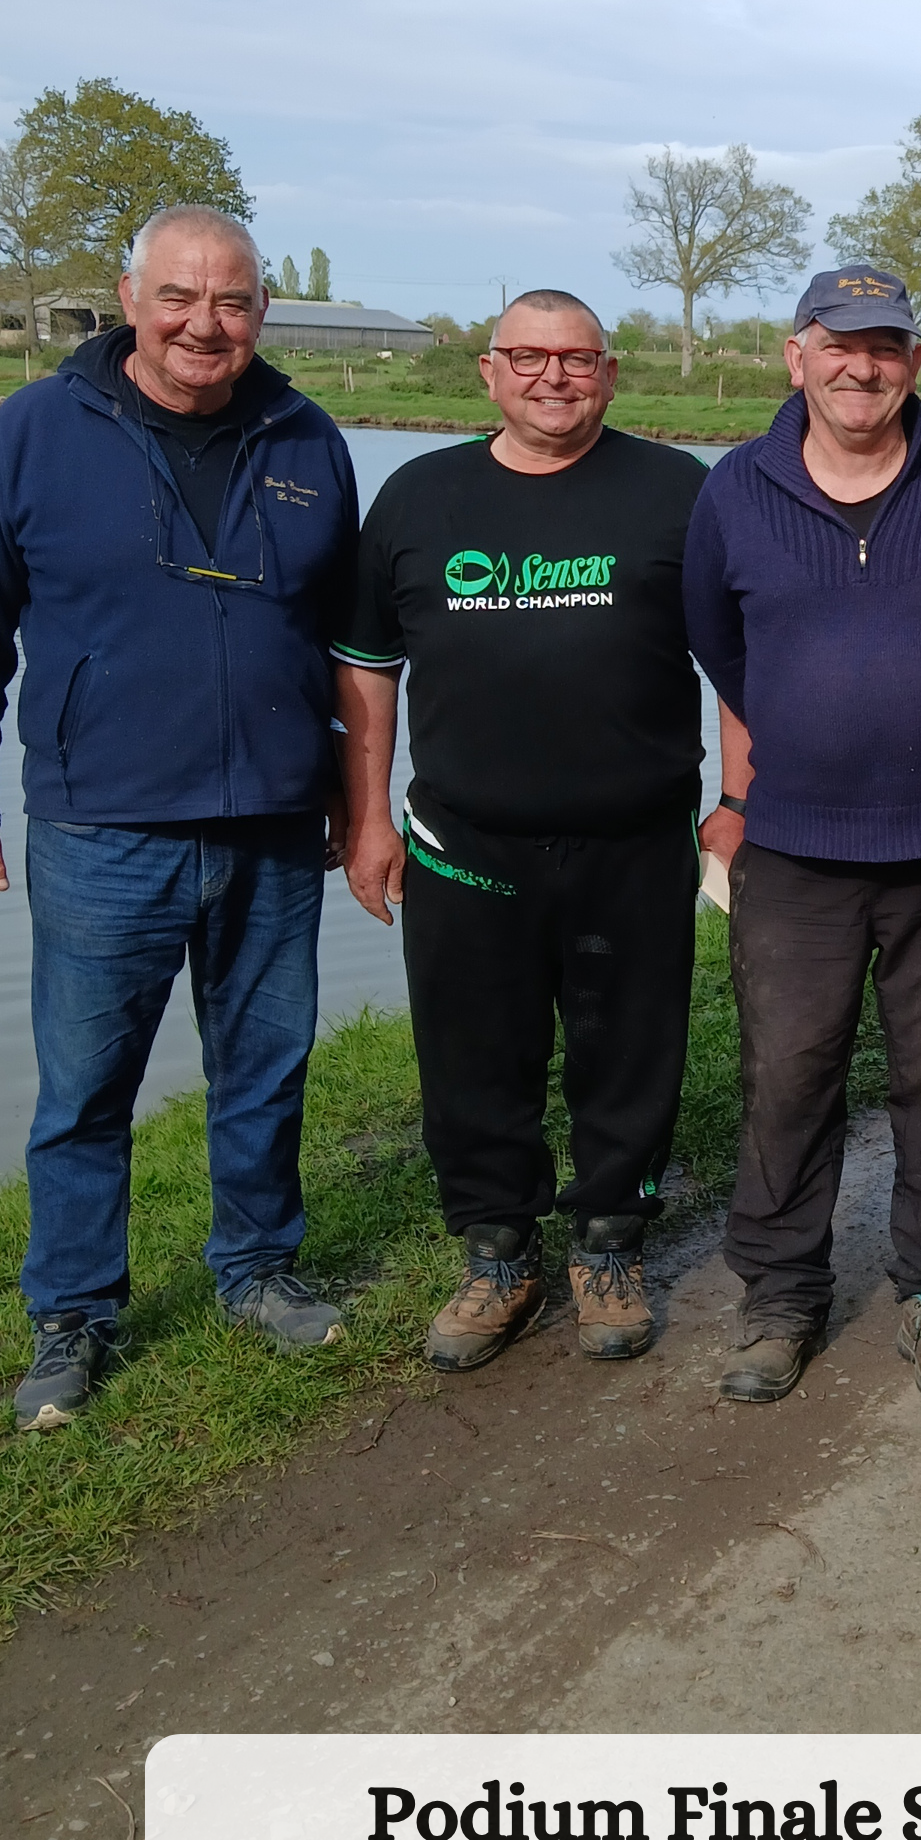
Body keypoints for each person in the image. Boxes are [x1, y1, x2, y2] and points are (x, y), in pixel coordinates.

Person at [0, 206, 361, 1432]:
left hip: (273, 821)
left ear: (260, 312)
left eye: (231, 301)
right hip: (102, 828)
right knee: (85, 1089)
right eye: (179, 296)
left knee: (265, 1067)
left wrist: (346, 785)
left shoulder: (309, 438)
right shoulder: (32, 432)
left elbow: (348, 642)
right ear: (130, 299)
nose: (203, 324)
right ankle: (72, 1314)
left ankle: (258, 1268)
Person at [332, 291, 709, 1370]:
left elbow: (742, 657)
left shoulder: (677, 491)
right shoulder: (419, 495)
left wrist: (739, 802)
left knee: (627, 1047)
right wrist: (368, 818)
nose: (554, 377)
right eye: (530, 357)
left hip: (634, 838)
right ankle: (497, 1248)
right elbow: (366, 668)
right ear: (488, 371)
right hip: (465, 842)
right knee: (472, 1053)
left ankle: (610, 1241)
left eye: (578, 359)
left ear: (611, 374)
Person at [682, 267, 921, 1405]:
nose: (860, 367)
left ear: (913, 362)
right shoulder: (735, 488)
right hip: (794, 850)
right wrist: (794, 744)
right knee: (786, 1074)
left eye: (884, 346)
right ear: (797, 356)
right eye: (838, 343)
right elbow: (719, 642)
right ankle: (782, 1292)